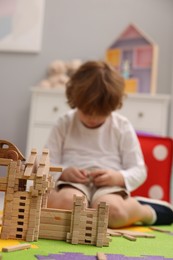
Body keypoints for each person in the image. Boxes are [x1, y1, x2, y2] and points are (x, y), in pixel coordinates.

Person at [46, 60, 173, 228]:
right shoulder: (64, 123)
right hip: (71, 185)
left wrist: (118, 177)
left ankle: (145, 210)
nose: (93, 118)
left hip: (109, 188)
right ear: (74, 100)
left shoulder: (121, 126)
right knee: (68, 205)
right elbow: (46, 164)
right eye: (86, 112)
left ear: (113, 107)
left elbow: (139, 170)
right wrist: (63, 173)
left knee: (112, 214)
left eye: (101, 114)